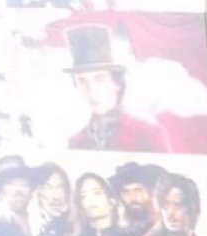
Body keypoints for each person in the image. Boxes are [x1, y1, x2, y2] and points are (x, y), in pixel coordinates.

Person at [64, 24, 167, 152]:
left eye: (99, 80)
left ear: (116, 83)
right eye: (82, 81)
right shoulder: (75, 142)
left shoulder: (147, 133)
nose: (91, 90)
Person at [29, 163, 72, 236]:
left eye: (59, 186)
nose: (55, 195)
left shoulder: (75, 225)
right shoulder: (30, 226)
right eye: (47, 187)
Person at [110, 162, 163, 236]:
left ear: (150, 192)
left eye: (138, 190)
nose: (132, 197)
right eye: (126, 192)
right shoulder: (116, 231)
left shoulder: (166, 226)